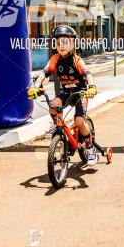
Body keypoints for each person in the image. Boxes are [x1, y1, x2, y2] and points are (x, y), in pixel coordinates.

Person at [27, 25, 98, 163]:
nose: (61, 45)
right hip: (66, 92)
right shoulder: (55, 59)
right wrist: (36, 86)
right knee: (53, 105)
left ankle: (90, 148)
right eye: (58, 43)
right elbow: (44, 72)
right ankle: (58, 127)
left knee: (79, 121)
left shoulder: (77, 60)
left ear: (72, 43)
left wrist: (92, 87)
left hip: (80, 93)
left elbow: (88, 74)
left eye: (65, 42)